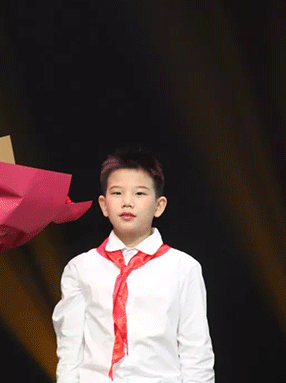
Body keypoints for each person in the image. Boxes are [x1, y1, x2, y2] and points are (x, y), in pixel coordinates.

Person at [52, 148, 215, 382]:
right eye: (117, 193)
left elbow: (196, 353)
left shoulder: (183, 268)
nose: (127, 202)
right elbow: (70, 351)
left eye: (139, 193)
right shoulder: (80, 268)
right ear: (103, 204)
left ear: (159, 206)